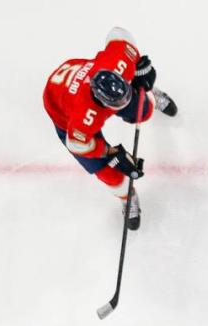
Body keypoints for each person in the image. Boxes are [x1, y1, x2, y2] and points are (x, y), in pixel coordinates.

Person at [43, 27, 178, 231]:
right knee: (110, 173)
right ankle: (127, 197)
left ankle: (148, 91)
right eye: (118, 103)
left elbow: (118, 34)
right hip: (62, 110)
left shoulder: (116, 63)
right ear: (101, 101)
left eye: (126, 94)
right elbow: (77, 144)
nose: (125, 102)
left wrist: (140, 71)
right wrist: (111, 153)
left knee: (143, 110)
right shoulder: (84, 117)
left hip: (81, 73)